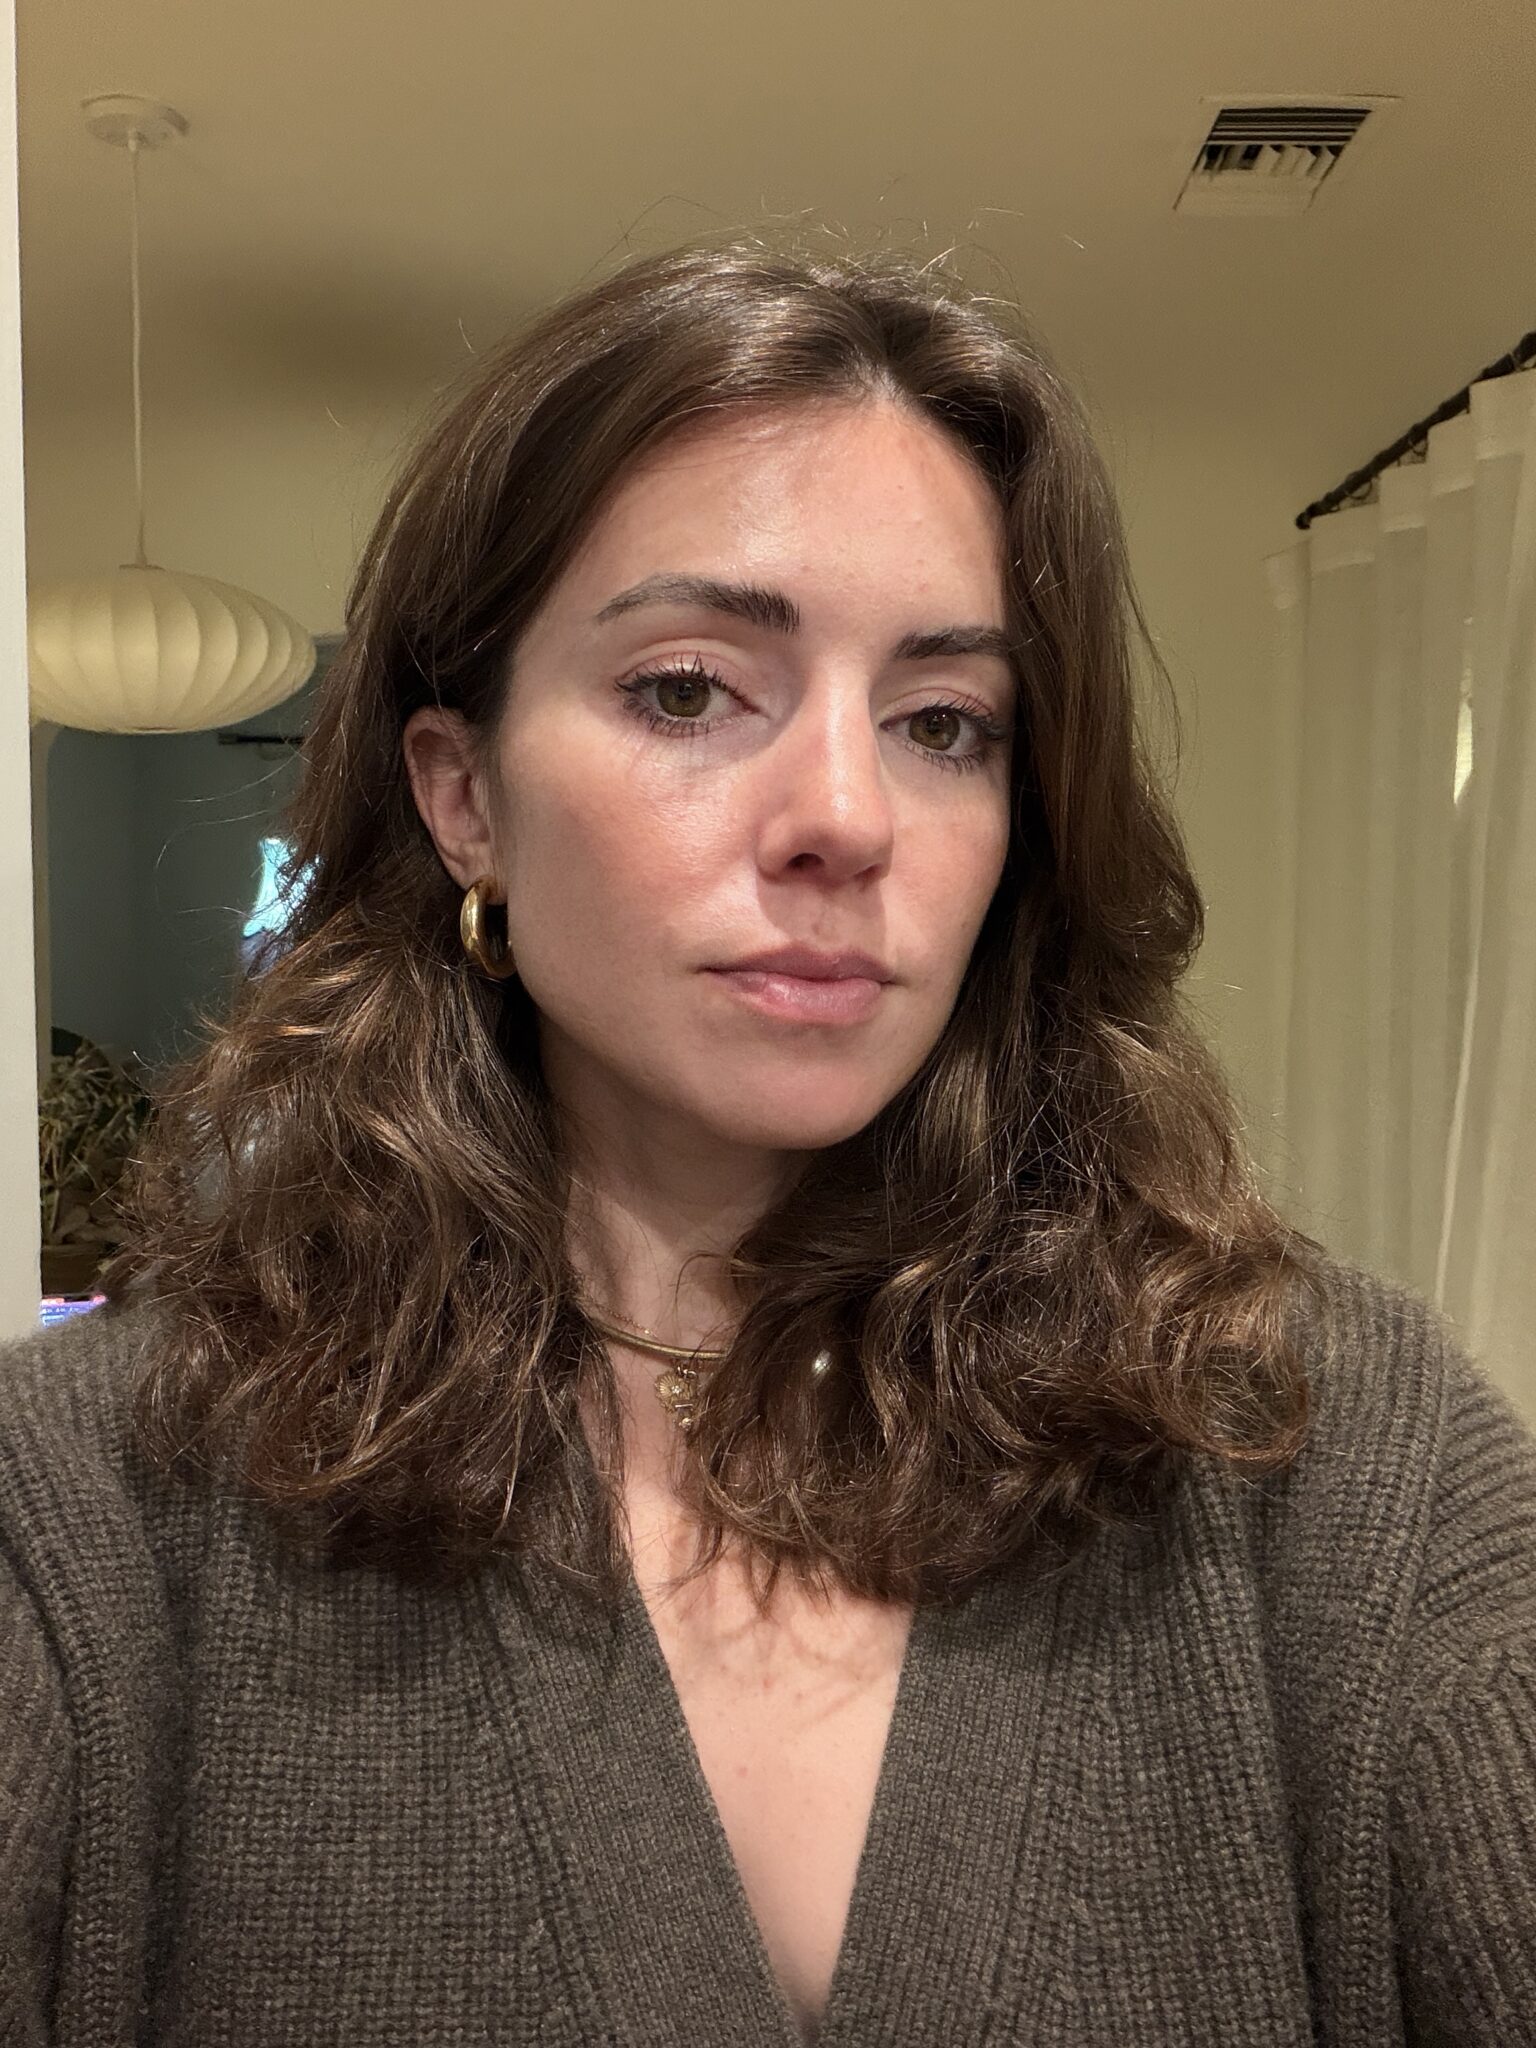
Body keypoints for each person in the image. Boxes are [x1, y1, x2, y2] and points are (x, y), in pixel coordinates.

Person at [2, 237, 1533, 2048]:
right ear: (463, 793)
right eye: (686, 689)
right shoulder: (92, 1513)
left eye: (943, 722)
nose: (845, 815)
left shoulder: (1339, 1460)